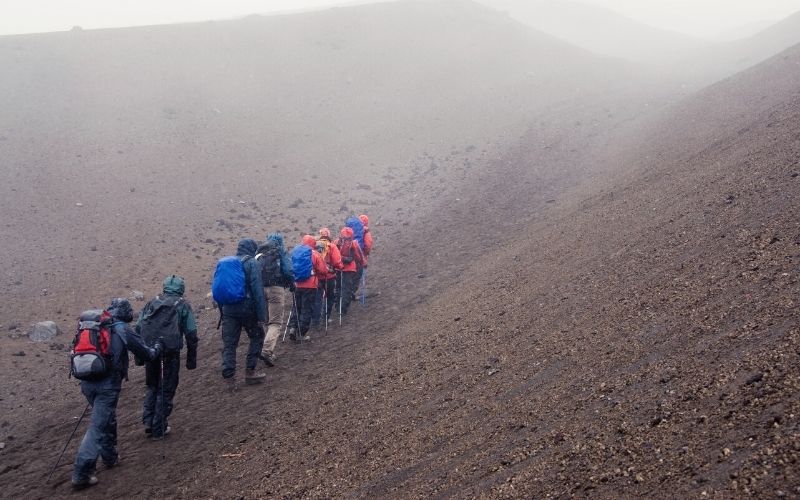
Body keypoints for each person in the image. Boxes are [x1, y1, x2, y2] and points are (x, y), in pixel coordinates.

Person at [71, 298, 162, 490]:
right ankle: (81, 473)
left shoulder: (93, 326)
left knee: (106, 419)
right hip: (107, 384)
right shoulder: (121, 328)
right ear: (125, 312)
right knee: (97, 425)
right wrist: (157, 349)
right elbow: (146, 353)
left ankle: (110, 457)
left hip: (87, 381)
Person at [136, 275, 198, 439]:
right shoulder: (182, 305)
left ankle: (149, 423)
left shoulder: (152, 302)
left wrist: (140, 355)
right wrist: (191, 360)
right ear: (181, 289)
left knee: (152, 385)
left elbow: (139, 327)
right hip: (170, 353)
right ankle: (159, 427)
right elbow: (191, 333)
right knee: (167, 388)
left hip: (151, 351)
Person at [220, 238, 268, 388]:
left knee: (229, 343)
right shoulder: (252, 263)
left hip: (228, 309)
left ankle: (229, 378)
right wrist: (262, 316)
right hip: (247, 309)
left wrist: (223, 312)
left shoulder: (228, 263)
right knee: (257, 336)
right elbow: (257, 291)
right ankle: (250, 372)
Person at [257, 232, 294, 367]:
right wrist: (292, 284)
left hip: (261, 290)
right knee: (276, 322)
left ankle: (268, 350)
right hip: (276, 289)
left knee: (267, 321)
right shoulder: (280, 251)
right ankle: (267, 351)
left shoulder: (260, 251)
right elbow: (288, 270)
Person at [290, 234, 328, 342]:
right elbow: (322, 270)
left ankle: (293, 327)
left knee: (297, 307)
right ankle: (301, 333)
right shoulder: (314, 253)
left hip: (297, 284)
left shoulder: (295, 252)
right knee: (307, 309)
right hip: (310, 285)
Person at [311, 228, 343, 329]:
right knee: (330, 297)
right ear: (329, 235)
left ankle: (315, 320)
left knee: (317, 298)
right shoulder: (332, 246)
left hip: (316, 276)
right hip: (329, 276)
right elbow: (337, 262)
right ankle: (326, 317)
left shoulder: (314, 246)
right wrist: (340, 267)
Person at [335, 227, 365, 316]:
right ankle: (343, 309)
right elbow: (358, 256)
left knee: (338, 288)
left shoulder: (336, 242)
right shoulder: (354, 243)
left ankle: (337, 306)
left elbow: (333, 255)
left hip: (338, 268)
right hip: (349, 269)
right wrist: (362, 263)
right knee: (346, 289)